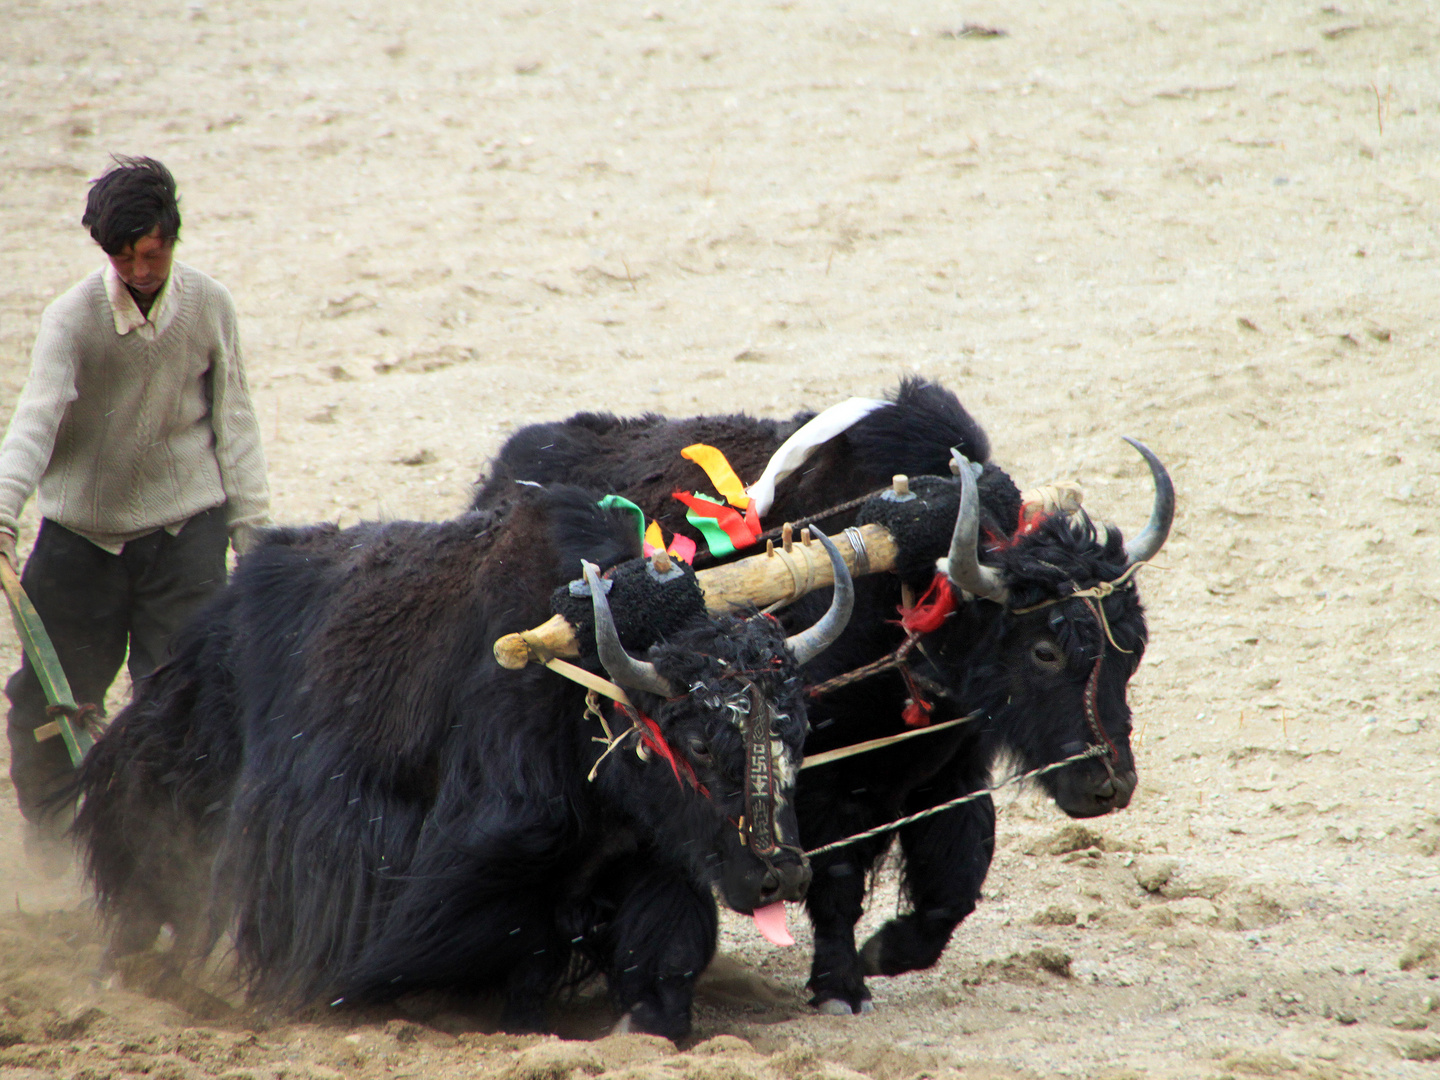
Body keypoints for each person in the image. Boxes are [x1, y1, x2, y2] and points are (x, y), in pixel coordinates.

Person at [0, 156, 271, 867]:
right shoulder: (72, 319)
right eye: (122, 257)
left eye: (151, 254)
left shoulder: (209, 306)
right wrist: (3, 511)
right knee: (50, 702)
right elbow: (36, 418)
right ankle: (53, 845)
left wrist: (256, 541)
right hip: (81, 540)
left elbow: (235, 422)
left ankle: (174, 854)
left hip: (186, 534)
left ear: (172, 240)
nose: (139, 271)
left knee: (191, 699)